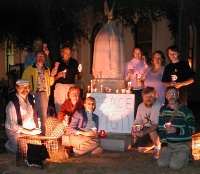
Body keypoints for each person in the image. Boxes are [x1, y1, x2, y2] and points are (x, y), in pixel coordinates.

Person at [157, 86, 195, 170]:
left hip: (182, 144)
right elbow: (161, 128)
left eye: (174, 94)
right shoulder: (163, 110)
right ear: (166, 96)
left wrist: (176, 130)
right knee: (161, 164)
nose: (172, 96)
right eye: (169, 94)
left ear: (178, 96)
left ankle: (187, 155)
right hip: (169, 144)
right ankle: (174, 155)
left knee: (174, 166)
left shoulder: (185, 110)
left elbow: (192, 129)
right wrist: (164, 143)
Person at [22, 50, 57, 135]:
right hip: (34, 94)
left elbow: (51, 83)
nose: (40, 58)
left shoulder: (47, 69)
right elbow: (23, 81)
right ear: (35, 58)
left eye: (42, 56)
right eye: (39, 56)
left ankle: (43, 135)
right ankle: (34, 134)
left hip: (44, 94)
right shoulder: (29, 69)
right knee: (33, 115)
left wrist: (52, 75)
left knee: (43, 117)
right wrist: (29, 91)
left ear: (45, 58)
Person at [4, 79, 41, 153]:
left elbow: (33, 117)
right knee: (25, 150)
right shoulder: (12, 104)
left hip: (28, 130)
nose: (25, 89)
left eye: (27, 87)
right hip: (14, 131)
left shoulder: (31, 99)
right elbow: (13, 126)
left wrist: (34, 129)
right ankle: (9, 145)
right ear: (17, 88)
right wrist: (29, 132)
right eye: (22, 87)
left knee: (37, 147)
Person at [132, 86, 161, 159]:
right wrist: (135, 130)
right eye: (146, 96)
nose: (148, 99)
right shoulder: (140, 106)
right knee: (140, 149)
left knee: (152, 131)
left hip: (158, 129)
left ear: (155, 96)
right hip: (146, 129)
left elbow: (156, 124)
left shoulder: (158, 105)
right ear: (143, 97)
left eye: (151, 96)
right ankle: (155, 144)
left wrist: (144, 133)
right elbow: (137, 121)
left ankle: (157, 148)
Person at [53, 45, 83, 114]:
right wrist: (59, 75)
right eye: (66, 53)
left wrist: (80, 76)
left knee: (71, 105)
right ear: (62, 53)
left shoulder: (74, 62)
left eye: (69, 53)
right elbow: (53, 78)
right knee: (60, 105)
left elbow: (76, 77)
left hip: (71, 86)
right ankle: (60, 121)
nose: (68, 55)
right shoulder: (57, 62)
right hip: (60, 86)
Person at [124, 46, 148, 117]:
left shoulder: (144, 64)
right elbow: (125, 79)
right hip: (132, 90)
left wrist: (145, 64)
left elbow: (148, 73)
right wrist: (129, 75)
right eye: (136, 53)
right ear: (133, 53)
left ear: (142, 53)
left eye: (139, 53)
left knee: (142, 109)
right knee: (133, 110)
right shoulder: (128, 64)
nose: (137, 55)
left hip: (142, 90)